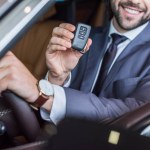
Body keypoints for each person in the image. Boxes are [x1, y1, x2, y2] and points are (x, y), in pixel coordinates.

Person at [0, 0, 150, 126]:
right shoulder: (81, 38)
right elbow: (49, 122)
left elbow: (133, 113)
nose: (135, 1)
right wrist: (57, 76)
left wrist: (41, 94)